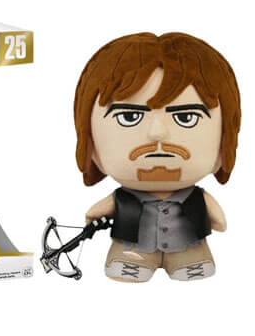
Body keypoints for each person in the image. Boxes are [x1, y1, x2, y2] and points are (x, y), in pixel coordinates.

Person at [74, 33, 241, 282]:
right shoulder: (122, 198)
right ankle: (133, 260)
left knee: (193, 262)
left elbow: (219, 221)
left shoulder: (197, 198)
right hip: (132, 248)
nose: (157, 133)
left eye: (186, 117)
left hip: (189, 247)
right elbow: (95, 212)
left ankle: (190, 259)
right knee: (129, 262)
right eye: (129, 116)